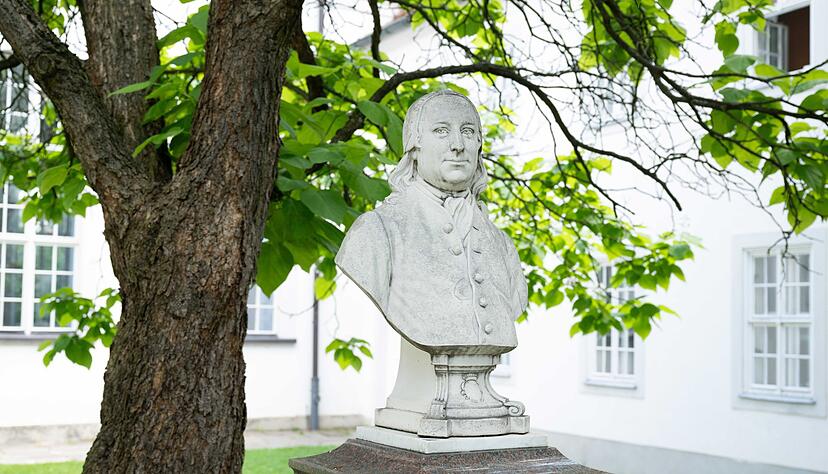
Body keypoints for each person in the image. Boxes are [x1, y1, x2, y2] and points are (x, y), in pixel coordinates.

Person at [336, 89, 528, 354]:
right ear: (414, 147)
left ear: (479, 146)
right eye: (441, 131)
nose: (458, 145)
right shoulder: (376, 232)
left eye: (468, 132)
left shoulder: (503, 245)